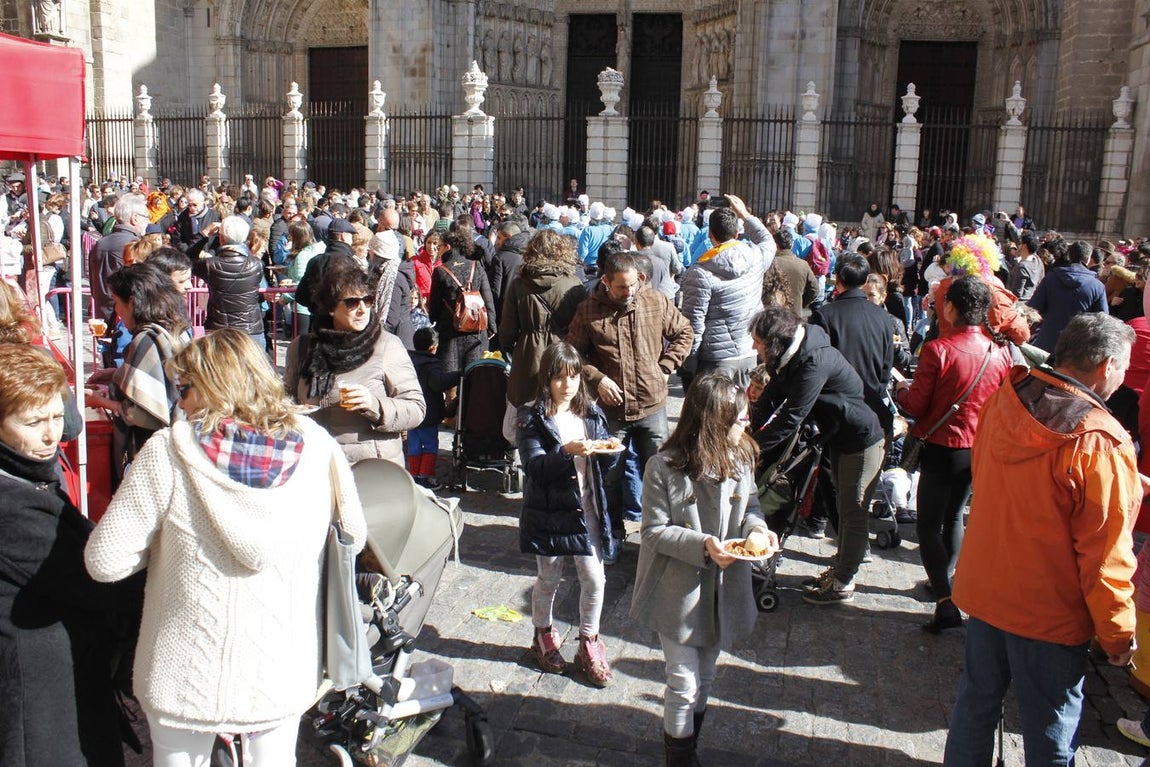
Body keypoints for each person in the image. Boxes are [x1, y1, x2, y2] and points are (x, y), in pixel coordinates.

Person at [85, 329, 366, 767]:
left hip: (184, 671)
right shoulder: (318, 447)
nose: (180, 402)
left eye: (186, 388)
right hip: (281, 663)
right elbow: (355, 536)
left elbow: (105, 561)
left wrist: (166, 545)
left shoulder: (168, 452)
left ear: (215, 386)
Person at [942, 312, 1139, 765]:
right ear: (1107, 365)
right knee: (1050, 728)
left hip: (988, 590)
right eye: (1125, 367)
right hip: (1047, 612)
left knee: (975, 705)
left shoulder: (1005, 399)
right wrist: (1117, 636)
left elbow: (1005, 485)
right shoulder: (1098, 440)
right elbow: (1106, 557)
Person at [0, 344, 144, 767]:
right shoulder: (10, 503)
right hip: (39, 688)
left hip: (61, 669)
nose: (51, 435)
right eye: (33, 422)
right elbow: (93, 578)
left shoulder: (28, 472)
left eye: (55, 416)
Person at [630, 373, 777, 766]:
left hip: (722, 588)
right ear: (713, 423)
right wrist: (705, 546)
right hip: (678, 591)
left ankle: (689, 746)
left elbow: (752, 509)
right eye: (738, 418)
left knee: (706, 677)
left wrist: (758, 530)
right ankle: (678, 759)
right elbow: (653, 531)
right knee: (682, 682)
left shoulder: (742, 457)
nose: (746, 423)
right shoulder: (662, 467)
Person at [893, 277, 1012, 631]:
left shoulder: (938, 350)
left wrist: (901, 390)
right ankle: (943, 583)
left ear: (951, 308)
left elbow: (916, 404)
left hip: (943, 446)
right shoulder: (1000, 352)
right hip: (977, 447)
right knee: (956, 514)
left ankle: (945, 599)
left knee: (928, 523)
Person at [749, 307, 884, 605]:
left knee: (852, 510)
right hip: (837, 434)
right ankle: (842, 568)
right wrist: (749, 432)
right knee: (843, 504)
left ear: (775, 342)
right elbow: (772, 398)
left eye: (758, 342)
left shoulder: (813, 361)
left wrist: (753, 449)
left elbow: (791, 416)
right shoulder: (789, 354)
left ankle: (843, 582)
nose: (754, 347)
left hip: (860, 439)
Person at [566, 250, 693, 554]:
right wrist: (597, 378)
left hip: (652, 405)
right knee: (609, 477)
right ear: (606, 282)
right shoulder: (587, 310)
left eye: (633, 285)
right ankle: (612, 536)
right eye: (622, 287)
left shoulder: (655, 301)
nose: (629, 292)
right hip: (612, 411)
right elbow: (573, 353)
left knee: (663, 472)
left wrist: (665, 367)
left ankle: (661, 538)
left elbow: (684, 332)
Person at [517, 341, 622, 687]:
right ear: (547, 379)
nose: (567, 385)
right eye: (559, 378)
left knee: (595, 578)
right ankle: (542, 635)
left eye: (574, 377)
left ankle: (589, 643)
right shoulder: (532, 415)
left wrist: (608, 451)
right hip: (549, 513)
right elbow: (534, 467)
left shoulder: (590, 412)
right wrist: (566, 451)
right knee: (549, 577)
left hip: (588, 509)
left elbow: (607, 458)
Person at [284, 260, 425, 466]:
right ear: (331, 307)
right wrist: (287, 409)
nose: (362, 309)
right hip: (318, 467)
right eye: (352, 302)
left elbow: (416, 408)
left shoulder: (387, 345)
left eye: (367, 300)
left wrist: (374, 405)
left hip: (371, 471)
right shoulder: (302, 348)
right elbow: (286, 395)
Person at [86, 263, 191, 481]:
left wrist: (100, 402)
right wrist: (117, 373)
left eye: (116, 302)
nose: (116, 309)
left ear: (131, 302)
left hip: (151, 451)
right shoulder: (175, 328)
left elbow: (144, 414)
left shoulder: (145, 340)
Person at [680, 194, 775, 388]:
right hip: (748, 350)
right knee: (740, 415)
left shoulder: (699, 272)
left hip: (715, 359)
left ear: (710, 235)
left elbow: (694, 323)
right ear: (737, 234)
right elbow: (767, 240)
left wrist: (690, 363)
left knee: (712, 416)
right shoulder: (756, 256)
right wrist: (745, 214)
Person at [428, 220, 498, 373]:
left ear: (447, 247)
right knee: (474, 378)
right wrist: (491, 326)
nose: (437, 250)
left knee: (451, 380)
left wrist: (436, 322)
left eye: (439, 246)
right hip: (476, 330)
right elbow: (488, 297)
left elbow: (434, 306)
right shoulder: (476, 266)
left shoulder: (440, 271)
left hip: (450, 330)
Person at [407, 327, 459, 488]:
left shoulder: (408, 361)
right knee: (429, 446)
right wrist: (458, 375)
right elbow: (438, 383)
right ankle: (425, 477)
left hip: (411, 413)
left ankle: (414, 475)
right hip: (428, 414)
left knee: (413, 446)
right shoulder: (431, 364)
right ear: (433, 348)